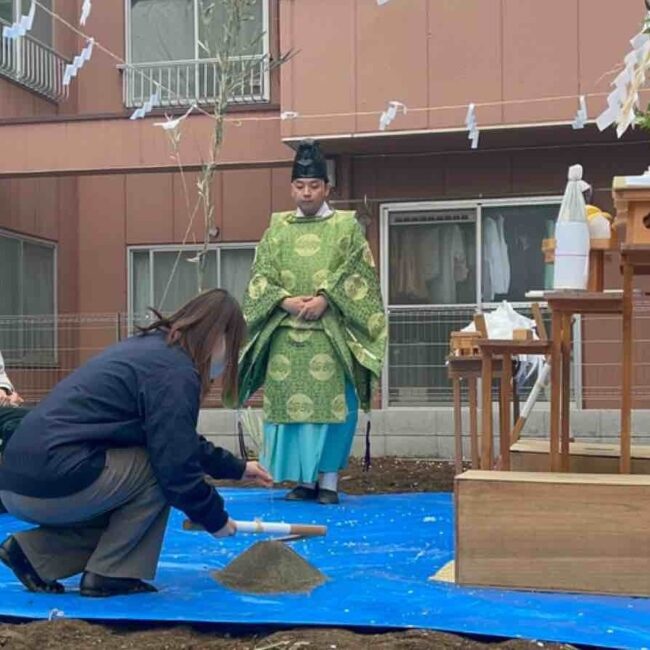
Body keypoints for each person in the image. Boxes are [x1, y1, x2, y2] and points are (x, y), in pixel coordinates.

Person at [0, 289, 272, 597]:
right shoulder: (175, 371)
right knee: (157, 471)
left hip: (19, 482)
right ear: (217, 339)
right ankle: (112, 574)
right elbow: (176, 467)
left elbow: (176, 439)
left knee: (130, 507)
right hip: (55, 479)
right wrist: (214, 518)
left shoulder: (150, 352)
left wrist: (236, 467)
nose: (228, 362)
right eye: (233, 349)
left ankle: (32, 554)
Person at [235, 139, 387, 505]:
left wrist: (327, 298)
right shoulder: (277, 230)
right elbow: (261, 277)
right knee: (292, 413)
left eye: (314, 186)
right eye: (300, 186)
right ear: (291, 189)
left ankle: (329, 482)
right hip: (286, 335)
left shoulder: (347, 227)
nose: (307, 193)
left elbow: (360, 273)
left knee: (332, 409)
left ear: (327, 188)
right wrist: (284, 301)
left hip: (330, 332)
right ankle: (302, 480)